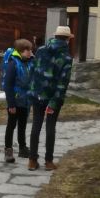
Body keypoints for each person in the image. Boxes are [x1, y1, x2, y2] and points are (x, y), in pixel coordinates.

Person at [27, 25, 73, 171]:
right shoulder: (66, 57)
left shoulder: (40, 50)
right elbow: (62, 82)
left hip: (37, 94)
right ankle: (48, 162)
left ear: (55, 37)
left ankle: (32, 161)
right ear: (67, 40)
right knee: (50, 127)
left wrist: (32, 90)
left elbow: (33, 70)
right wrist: (54, 102)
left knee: (36, 125)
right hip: (53, 97)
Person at [3, 38, 34, 163]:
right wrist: (11, 103)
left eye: (30, 50)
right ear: (21, 51)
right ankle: (8, 151)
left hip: (26, 100)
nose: (30, 52)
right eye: (27, 50)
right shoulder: (13, 63)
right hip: (15, 100)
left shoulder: (30, 62)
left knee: (22, 125)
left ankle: (23, 148)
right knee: (11, 125)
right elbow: (7, 85)